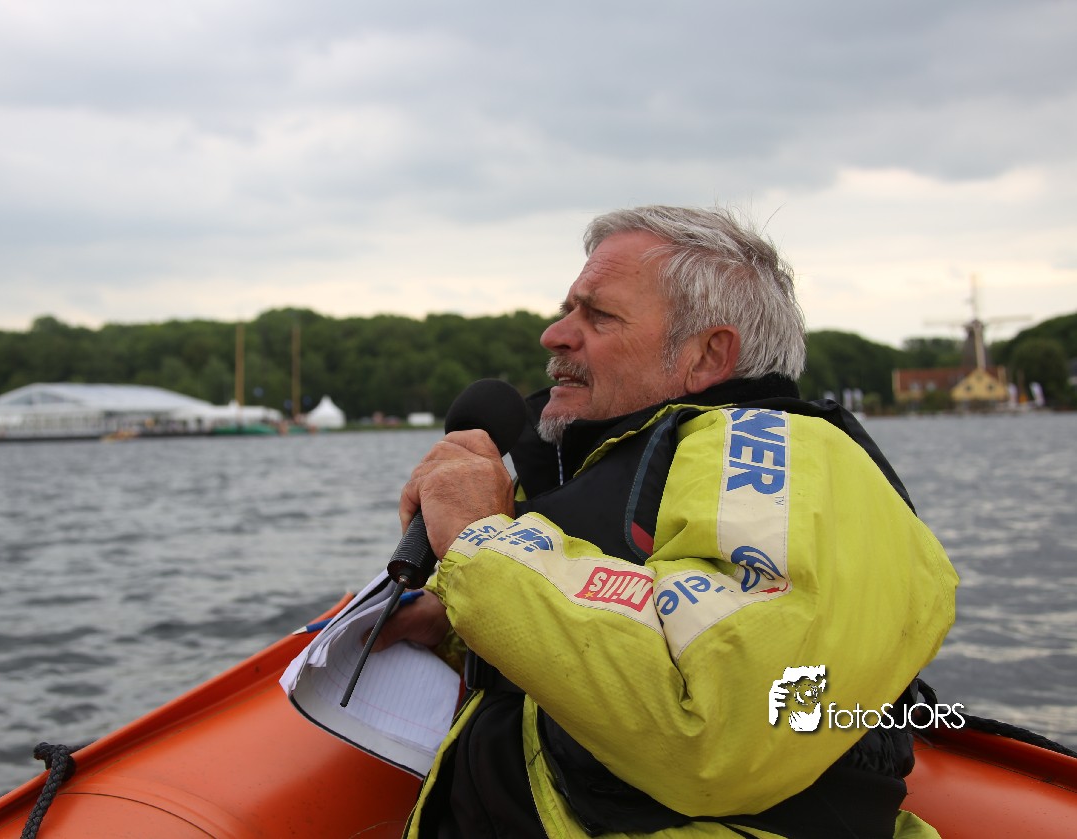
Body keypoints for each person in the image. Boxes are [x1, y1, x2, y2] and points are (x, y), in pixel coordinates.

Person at [375, 205, 959, 838]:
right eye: (567, 309)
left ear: (708, 355)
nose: (554, 335)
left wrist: (482, 545)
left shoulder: (785, 458)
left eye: (598, 316)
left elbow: (717, 729)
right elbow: (631, 617)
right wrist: (456, 620)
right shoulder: (620, 460)